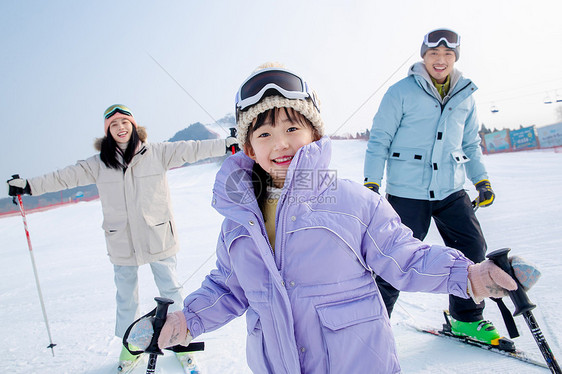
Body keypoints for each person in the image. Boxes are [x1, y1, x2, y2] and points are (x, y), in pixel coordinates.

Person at [124, 64, 531, 373]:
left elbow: (405, 257)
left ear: (314, 134)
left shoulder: (349, 201)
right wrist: (184, 322)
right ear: (248, 148)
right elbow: (229, 288)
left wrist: (472, 276)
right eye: (263, 134)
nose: (279, 144)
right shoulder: (238, 222)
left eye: (291, 128)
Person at [6, 104, 238, 372]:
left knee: (172, 290)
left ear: (134, 125)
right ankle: (131, 348)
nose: (120, 128)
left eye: (124, 122)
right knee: (126, 298)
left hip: (157, 234)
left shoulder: (158, 152)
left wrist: (225, 145)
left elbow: (192, 149)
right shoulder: (99, 164)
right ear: (107, 132)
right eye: (114, 125)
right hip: (122, 242)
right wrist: (29, 185)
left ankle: (180, 343)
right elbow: (64, 177)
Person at [363, 28, 500, 344]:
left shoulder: (465, 94)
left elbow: (471, 143)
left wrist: (482, 181)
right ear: (424, 56)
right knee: (394, 259)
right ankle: (373, 328)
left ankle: (466, 319)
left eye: (448, 55)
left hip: (451, 189)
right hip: (407, 192)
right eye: (434, 54)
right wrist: (371, 183)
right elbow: (379, 140)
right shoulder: (400, 92)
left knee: (472, 252)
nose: (441, 60)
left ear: (455, 58)